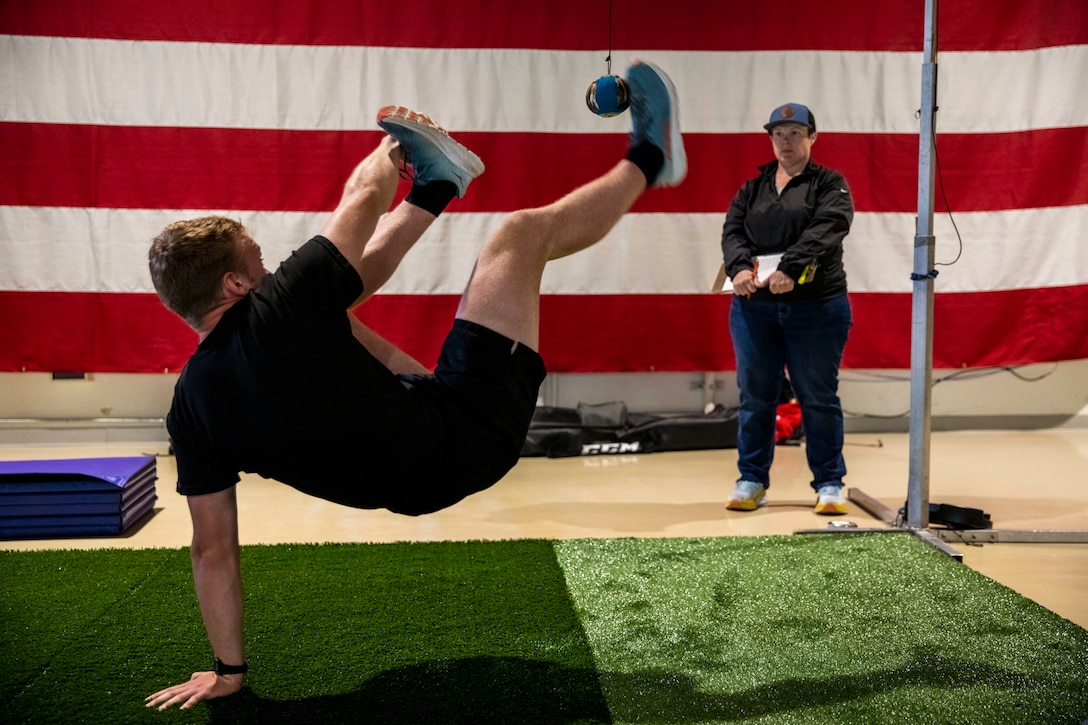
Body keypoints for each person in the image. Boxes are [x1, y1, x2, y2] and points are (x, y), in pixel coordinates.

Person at [144, 59, 685, 710]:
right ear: (234, 285)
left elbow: (212, 548)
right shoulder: (280, 310)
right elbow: (362, 197)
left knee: (331, 304)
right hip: (469, 432)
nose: (265, 259)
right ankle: (652, 157)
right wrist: (395, 142)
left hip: (415, 475)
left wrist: (227, 668)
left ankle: (442, 184)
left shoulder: (191, 407)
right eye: (252, 254)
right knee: (520, 234)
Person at [719, 103, 853, 516]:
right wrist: (740, 267)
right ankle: (751, 479)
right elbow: (732, 231)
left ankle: (830, 483)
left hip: (816, 308)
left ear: (813, 137)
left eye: (796, 132)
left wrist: (792, 268)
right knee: (756, 397)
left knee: (817, 397)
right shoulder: (752, 188)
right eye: (779, 133)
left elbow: (829, 227)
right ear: (770, 139)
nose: (787, 141)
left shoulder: (830, 184)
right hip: (754, 310)